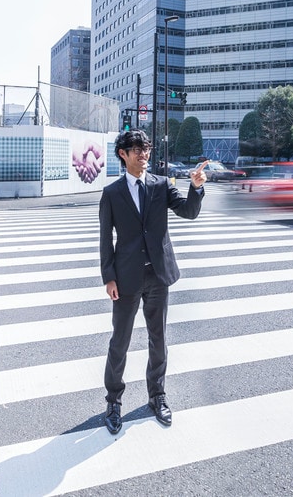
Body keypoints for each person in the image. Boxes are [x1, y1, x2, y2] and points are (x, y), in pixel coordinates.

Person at [99, 130, 208, 435]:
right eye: (137, 150)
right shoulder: (112, 193)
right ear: (123, 154)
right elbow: (105, 239)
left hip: (158, 275)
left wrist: (195, 188)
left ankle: (156, 396)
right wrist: (108, 277)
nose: (144, 154)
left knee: (158, 338)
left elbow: (187, 212)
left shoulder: (161, 185)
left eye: (145, 149)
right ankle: (113, 401)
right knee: (119, 341)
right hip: (126, 277)